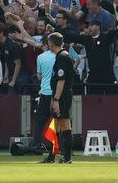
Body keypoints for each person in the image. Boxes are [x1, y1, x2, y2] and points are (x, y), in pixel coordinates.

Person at [41, 32, 74, 164]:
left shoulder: (62, 57)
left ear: (51, 43)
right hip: (60, 95)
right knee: (58, 125)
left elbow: (61, 80)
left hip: (63, 96)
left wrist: (56, 100)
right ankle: (52, 156)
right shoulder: (61, 56)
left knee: (64, 124)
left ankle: (67, 157)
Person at [32, 36, 54, 148]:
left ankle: (36, 144)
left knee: (40, 120)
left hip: (45, 91)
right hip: (56, 93)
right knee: (59, 120)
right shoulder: (60, 56)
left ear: (45, 45)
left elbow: (39, 76)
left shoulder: (40, 57)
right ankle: (60, 146)